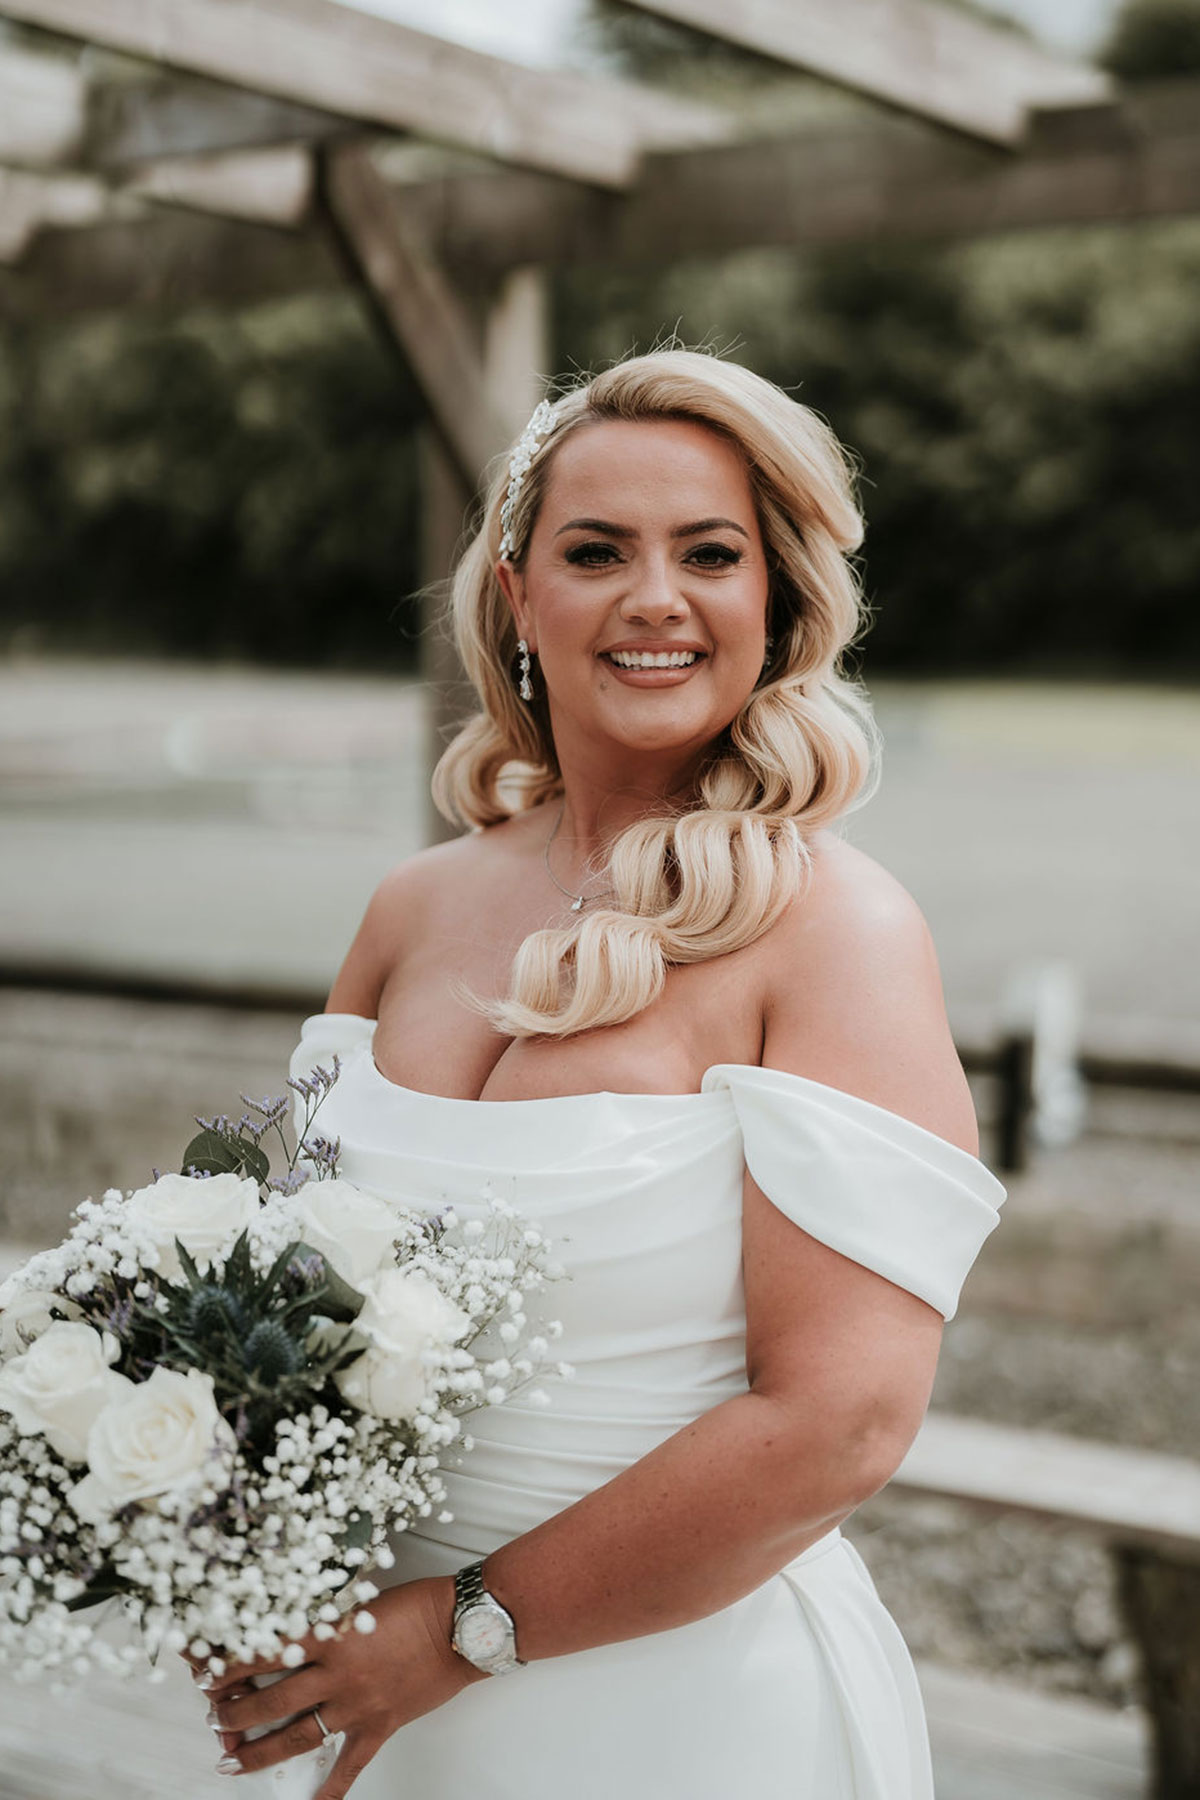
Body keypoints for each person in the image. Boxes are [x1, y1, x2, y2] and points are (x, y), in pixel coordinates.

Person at [202, 348, 1007, 1799]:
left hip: (672, 1706)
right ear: (518, 596)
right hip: (375, 1696)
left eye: (710, 554)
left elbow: (844, 1422)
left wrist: (462, 1631)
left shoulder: (835, 932)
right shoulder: (409, 908)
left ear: (778, 603)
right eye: (596, 551)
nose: (655, 598)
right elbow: (290, 1285)